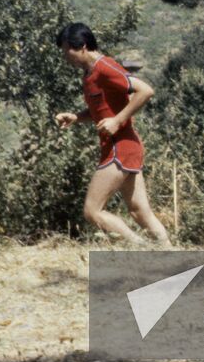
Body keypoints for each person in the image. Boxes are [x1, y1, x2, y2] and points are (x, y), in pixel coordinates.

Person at [53, 23, 171, 246]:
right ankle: (171, 254)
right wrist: (77, 117)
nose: (65, 57)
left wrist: (118, 120)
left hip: (121, 147)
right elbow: (102, 110)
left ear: (82, 46)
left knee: (92, 211)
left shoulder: (105, 67)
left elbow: (145, 90)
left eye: (66, 51)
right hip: (121, 147)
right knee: (139, 212)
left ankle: (141, 249)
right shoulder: (89, 75)